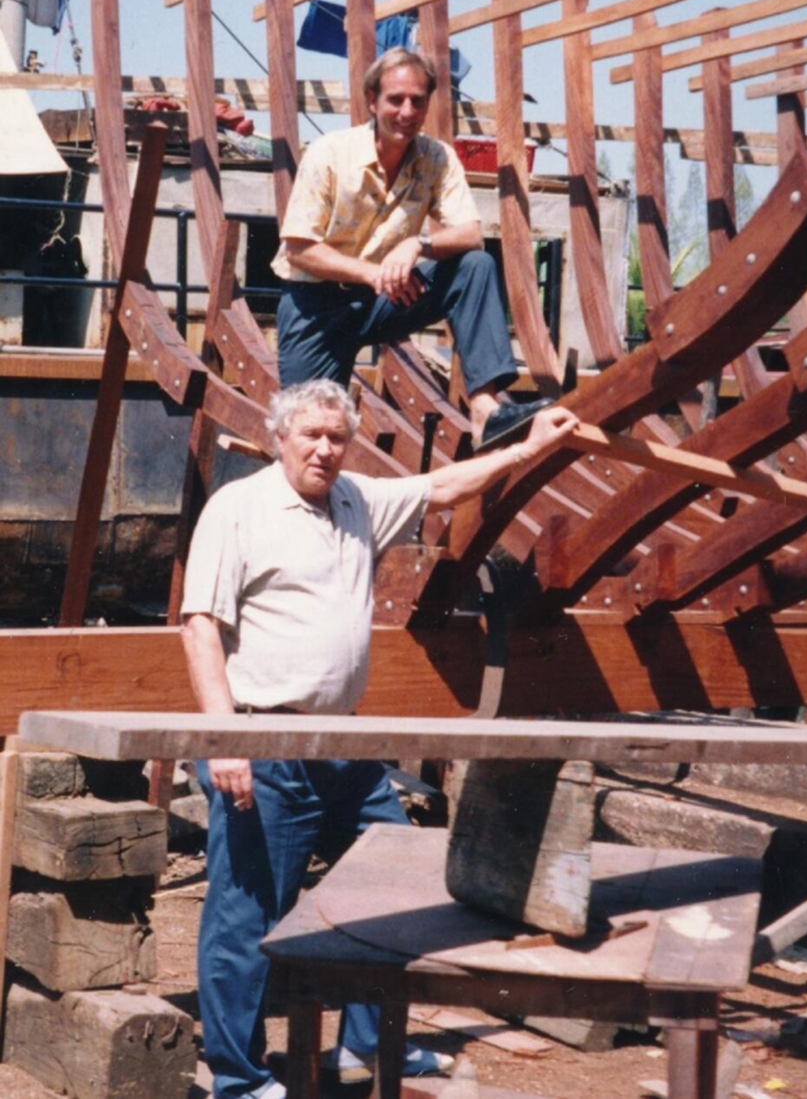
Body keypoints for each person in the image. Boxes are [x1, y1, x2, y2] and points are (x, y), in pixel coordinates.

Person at [181, 378, 579, 1099]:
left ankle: (364, 1044)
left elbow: (444, 486)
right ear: (279, 437)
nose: (325, 450)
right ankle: (238, 1079)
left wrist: (528, 448)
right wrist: (223, 738)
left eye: (337, 437)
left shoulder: (356, 499)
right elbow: (200, 625)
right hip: (265, 742)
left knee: (392, 882)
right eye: (311, 435)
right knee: (246, 914)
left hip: (346, 745)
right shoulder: (237, 509)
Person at [271, 45, 550, 451]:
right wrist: (372, 272)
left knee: (475, 266)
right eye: (395, 100)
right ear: (372, 101)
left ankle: (485, 411)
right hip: (315, 305)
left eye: (417, 101)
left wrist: (416, 243)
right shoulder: (329, 154)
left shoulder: (437, 158)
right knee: (306, 433)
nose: (406, 112)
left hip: (386, 298)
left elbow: (470, 234)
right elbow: (299, 249)